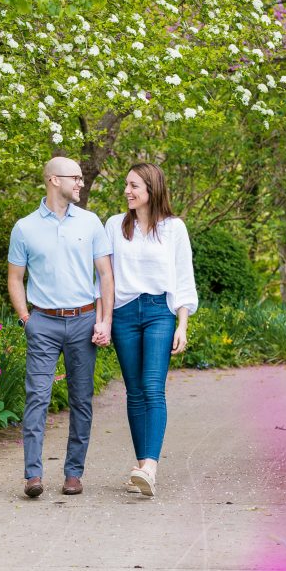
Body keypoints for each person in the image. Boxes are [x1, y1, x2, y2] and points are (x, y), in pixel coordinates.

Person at [7, 157, 114, 498]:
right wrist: (27, 318)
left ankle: (73, 474)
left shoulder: (91, 222)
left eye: (82, 177)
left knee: (82, 400)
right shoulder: (24, 228)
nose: (80, 183)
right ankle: (33, 476)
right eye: (75, 177)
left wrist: (104, 320)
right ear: (54, 180)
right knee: (36, 397)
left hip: (84, 321)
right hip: (44, 322)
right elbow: (15, 278)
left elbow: (106, 275)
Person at [104, 162, 197, 497]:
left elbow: (184, 278)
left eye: (134, 186)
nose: (127, 191)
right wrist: (105, 318)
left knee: (152, 387)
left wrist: (182, 324)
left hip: (160, 311)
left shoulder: (174, 228)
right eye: (126, 185)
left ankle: (150, 467)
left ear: (151, 190)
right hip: (124, 314)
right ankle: (142, 465)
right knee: (134, 391)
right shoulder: (115, 225)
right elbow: (106, 277)